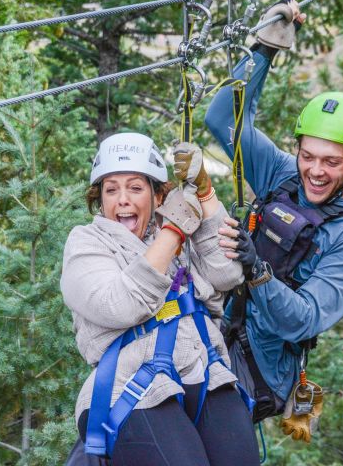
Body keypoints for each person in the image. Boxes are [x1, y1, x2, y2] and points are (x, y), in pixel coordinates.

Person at [205, 0, 343, 433]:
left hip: (260, 364)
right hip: (214, 323)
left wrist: (255, 268)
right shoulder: (283, 175)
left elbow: (302, 318)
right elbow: (222, 117)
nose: (316, 172)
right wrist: (264, 50)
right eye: (308, 155)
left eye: (332, 162)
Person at [60, 132, 259, 465]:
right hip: (128, 387)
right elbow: (119, 305)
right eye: (111, 190)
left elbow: (227, 274)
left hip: (203, 370)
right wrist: (173, 232)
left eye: (135, 188)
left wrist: (205, 193)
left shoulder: (173, 233)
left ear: (157, 195)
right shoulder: (86, 243)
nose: (122, 200)